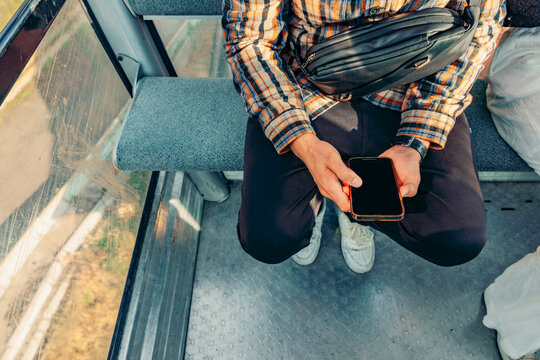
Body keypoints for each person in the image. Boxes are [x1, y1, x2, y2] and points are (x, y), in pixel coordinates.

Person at [222, 0, 505, 272]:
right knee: (267, 239)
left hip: (415, 82)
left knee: (457, 237)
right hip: (308, 83)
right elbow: (250, 40)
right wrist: (303, 142)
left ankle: (353, 211)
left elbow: (479, 28)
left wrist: (415, 140)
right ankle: (331, 203)